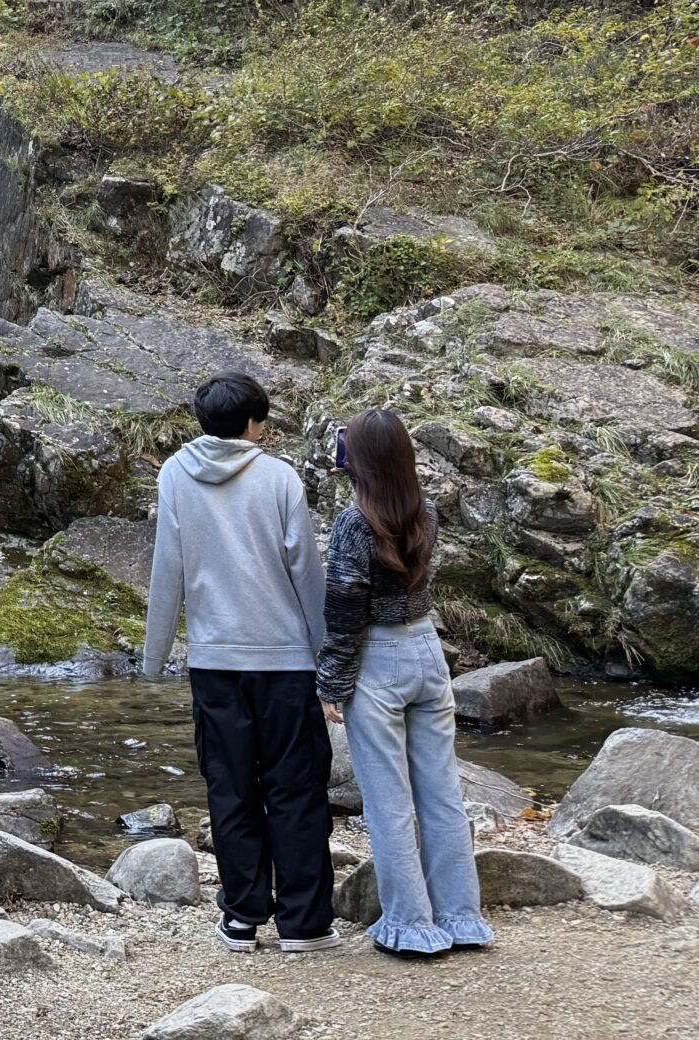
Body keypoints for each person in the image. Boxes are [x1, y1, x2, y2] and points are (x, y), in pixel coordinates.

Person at [141, 371, 336, 953]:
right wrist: (328, 655)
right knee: (296, 790)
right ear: (254, 424)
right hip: (287, 663)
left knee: (230, 790)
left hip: (214, 661)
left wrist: (154, 658)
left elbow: (166, 566)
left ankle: (242, 918)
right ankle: (304, 923)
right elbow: (304, 569)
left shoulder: (175, 473)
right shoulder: (279, 477)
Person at [316, 405, 494, 958]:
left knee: (389, 802)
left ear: (360, 460)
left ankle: (411, 923)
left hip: (378, 657)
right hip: (426, 651)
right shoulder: (427, 511)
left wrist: (330, 685)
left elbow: (345, 612)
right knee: (442, 792)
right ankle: (462, 917)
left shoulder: (353, 522)